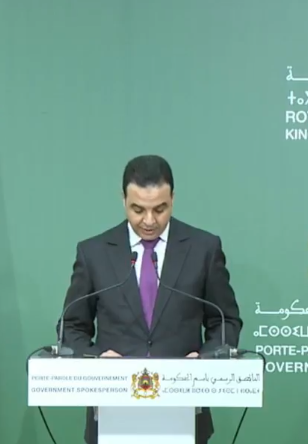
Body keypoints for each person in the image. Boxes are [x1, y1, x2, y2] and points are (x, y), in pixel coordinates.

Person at [58, 155, 243, 444]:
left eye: (160, 209)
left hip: (185, 409)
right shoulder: (93, 252)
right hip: (111, 412)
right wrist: (96, 360)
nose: (149, 221)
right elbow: (71, 326)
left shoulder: (203, 248)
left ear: (173, 199)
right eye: (138, 209)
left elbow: (226, 320)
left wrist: (205, 360)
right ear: (123, 200)